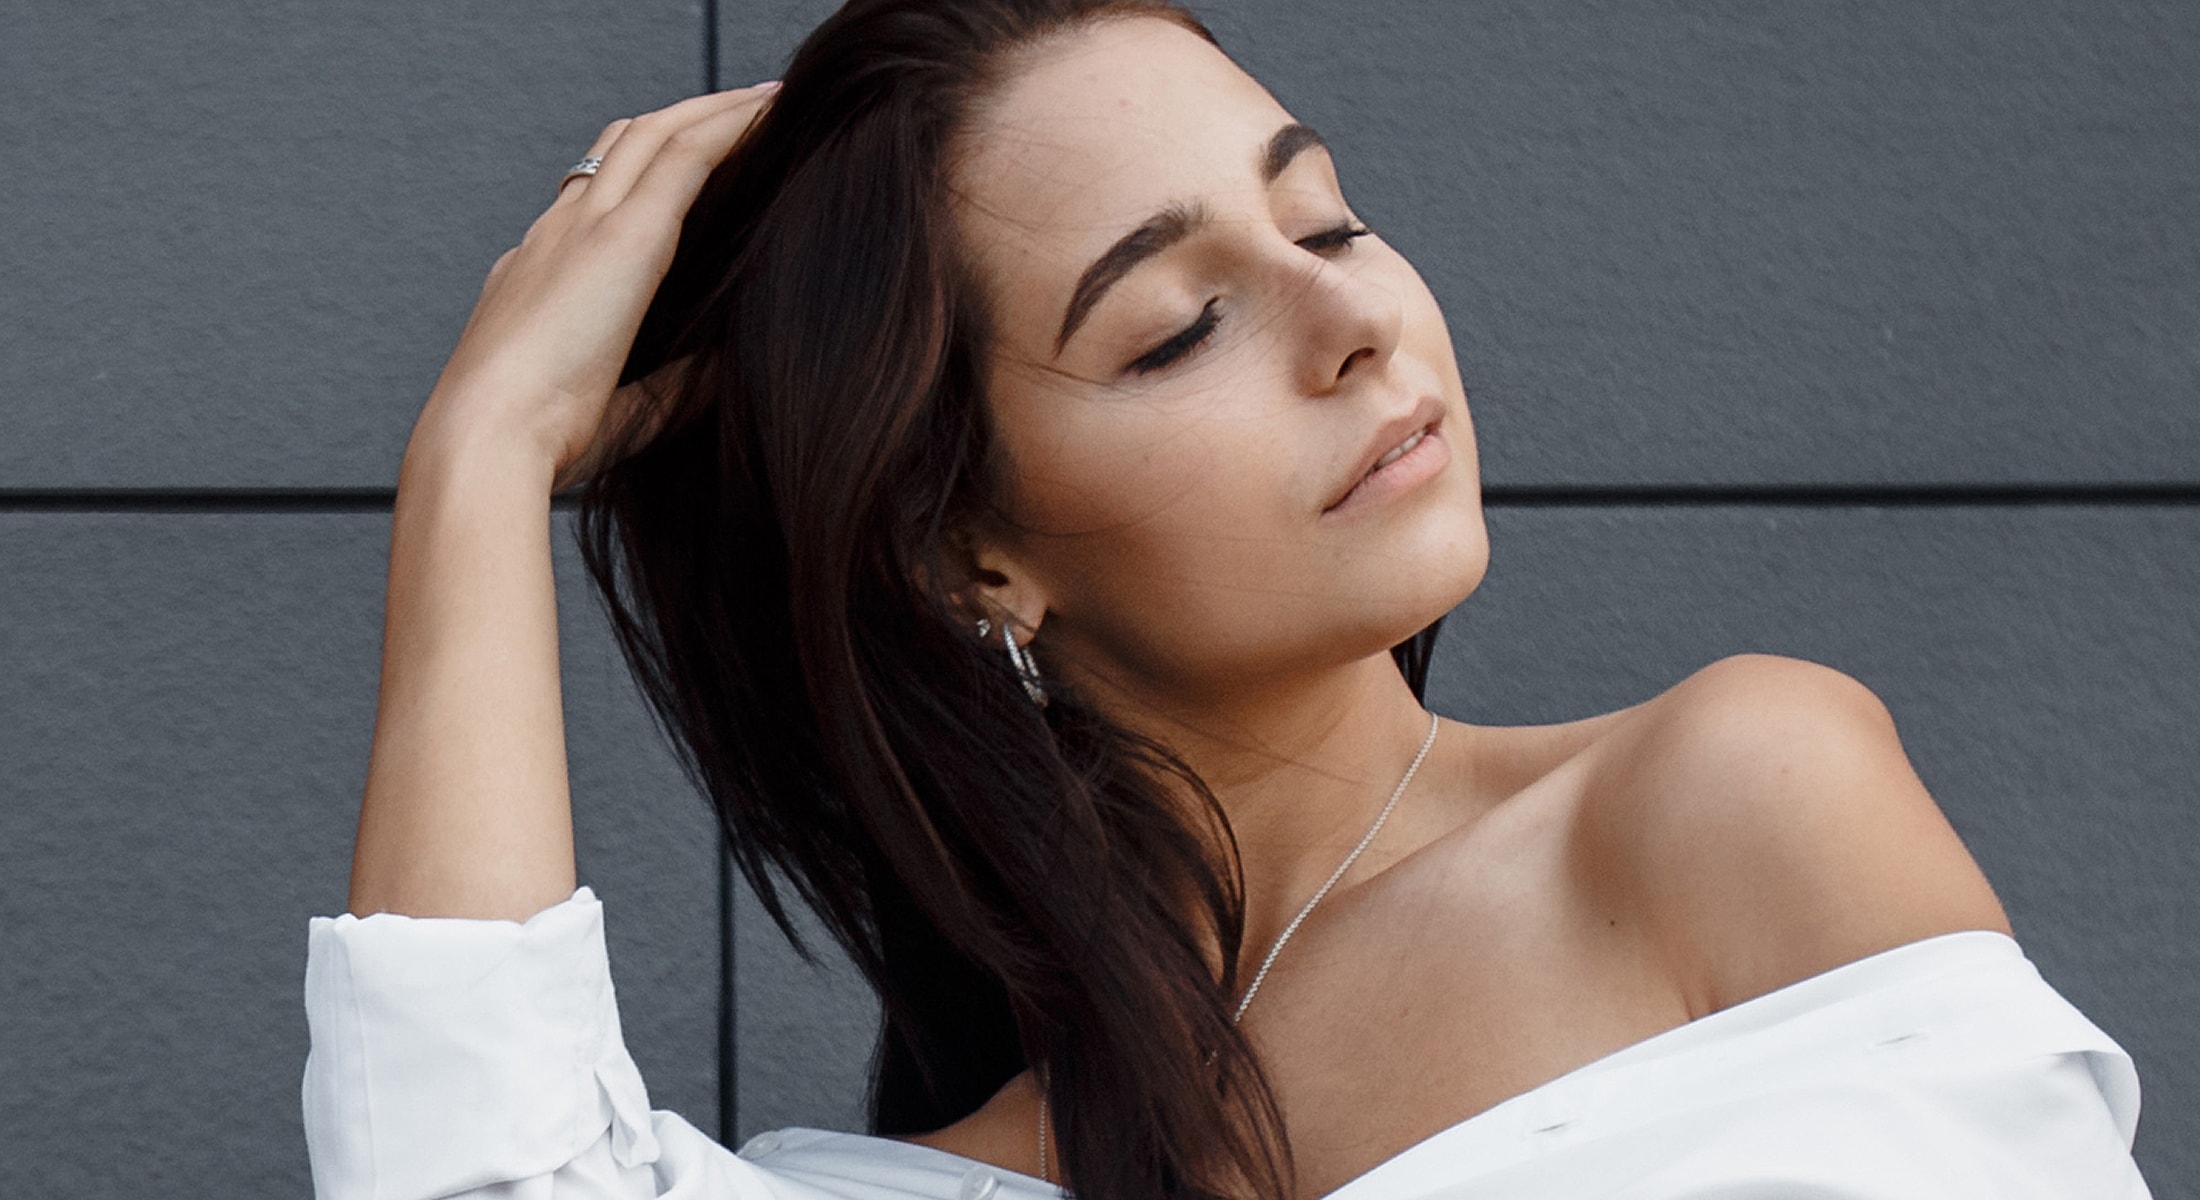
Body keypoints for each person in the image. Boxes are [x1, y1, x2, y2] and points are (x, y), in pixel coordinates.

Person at [301, 2, 2155, 1197]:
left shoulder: (1733, 798)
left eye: (1330, 220)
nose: (1357, 321)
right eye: (1183, 325)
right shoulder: (933, 1181)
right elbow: (483, 1172)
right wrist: (478, 459)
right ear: (969, 552)